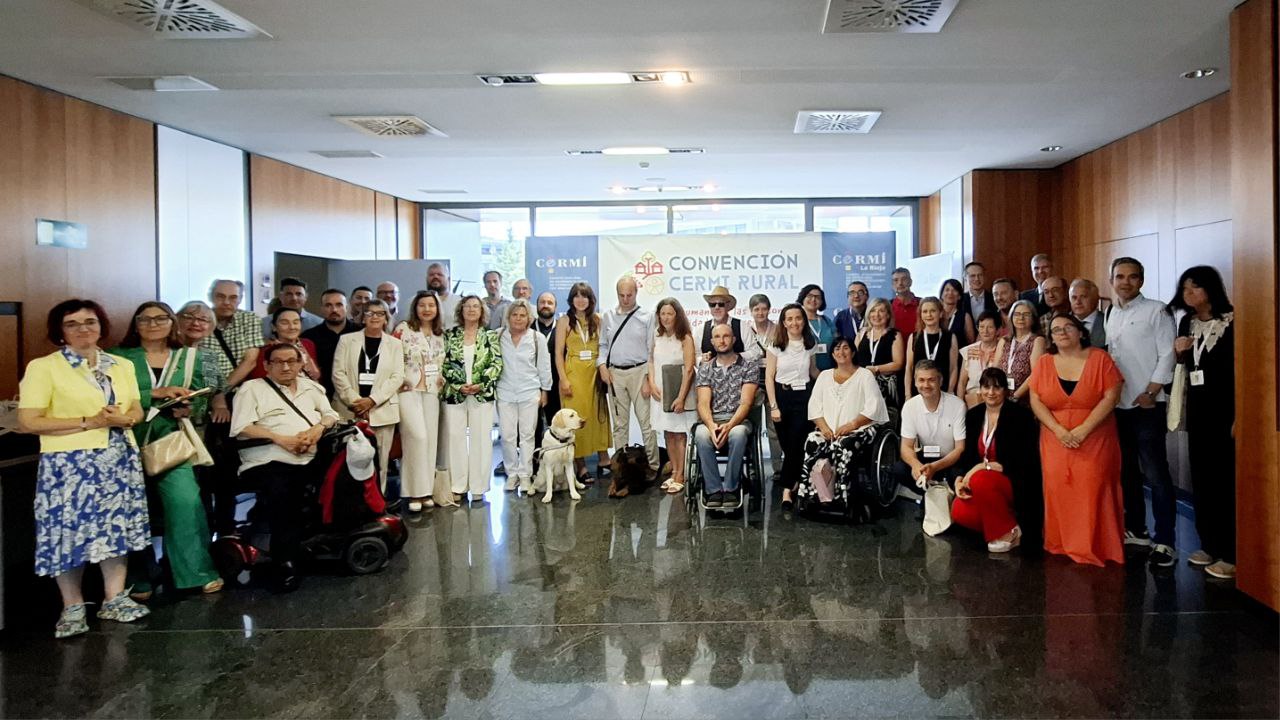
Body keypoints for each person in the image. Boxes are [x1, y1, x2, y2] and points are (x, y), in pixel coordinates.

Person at [17, 299, 151, 637]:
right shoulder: (44, 367)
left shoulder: (120, 364)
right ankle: (72, 606)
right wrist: (87, 422)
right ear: (60, 331)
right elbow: (29, 421)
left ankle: (114, 598)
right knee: (67, 534)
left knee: (115, 530)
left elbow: (136, 408)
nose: (83, 329)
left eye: (90, 321)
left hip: (118, 458)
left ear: (101, 326)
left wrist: (126, 418)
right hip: (69, 463)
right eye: (72, 324)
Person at [113, 302, 222, 597]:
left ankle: (194, 571)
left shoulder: (191, 357)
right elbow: (106, 394)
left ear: (172, 322)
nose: (153, 324)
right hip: (125, 440)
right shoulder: (117, 357)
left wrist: (188, 407)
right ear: (135, 324)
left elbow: (204, 397)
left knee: (185, 500)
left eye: (161, 318)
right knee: (132, 508)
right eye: (145, 319)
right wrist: (153, 394)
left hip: (170, 439)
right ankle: (139, 575)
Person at [230, 343, 340, 592]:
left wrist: (317, 429)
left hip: (311, 454)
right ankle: (285, 559)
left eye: (291, 361)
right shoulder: (251, 389)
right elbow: (241, 427)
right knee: (285, 492)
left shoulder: (311, 387)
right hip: (269, 458)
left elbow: (331, 414)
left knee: (344, 473)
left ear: (301, 364)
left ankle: (324, 539)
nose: (286, 366)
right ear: (266, 365)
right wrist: (281, 439)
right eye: (278, 362)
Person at [1029, 312, 1125, 566]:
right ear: (1050, 337)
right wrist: (1058, 430)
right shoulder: (1045, 363)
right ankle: (1060, 543)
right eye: (1056, 329)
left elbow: (1111, 396)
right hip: (1054, 438)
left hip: (1096, 437)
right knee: (1058, 488)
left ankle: (1095, 546)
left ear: (1081, 332)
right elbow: (1035, 400)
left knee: (1093, 487)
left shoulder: (1100, 359)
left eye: (1067, 327)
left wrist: (1084, 429)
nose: (1061, 333)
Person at [1104, 257, 1177, 566]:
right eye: (1120, 277)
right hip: (1119, 406)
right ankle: (1137, 529)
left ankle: (1166, 541)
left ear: (1141, 280)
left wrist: (1151, 391)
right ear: (1111, 280)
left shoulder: (1157, 311)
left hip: (1147, 405)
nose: (1126, 282)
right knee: (1127, 472)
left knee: (1156, 474)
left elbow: (1168, 354)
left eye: (1132, 277)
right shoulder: (1110, 313)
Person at [1170, 266, 1236, 579]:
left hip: (1225, 412)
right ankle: (1209, 543)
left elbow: (1241, 370)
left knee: (1225, 481)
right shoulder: (1187, 321)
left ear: (1211, 288)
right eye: (1185, 289)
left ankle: (1232, 552)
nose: (1189, 294)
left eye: (1195, 287)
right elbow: (1187, 367)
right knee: (1202, 478)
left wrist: (1240, 416)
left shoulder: (1232, 321)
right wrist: (1179, 353)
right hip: (1197, 412)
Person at [953, 367, 1043, 553]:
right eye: (986, 387)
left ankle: (1007, 533)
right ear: (980, 389)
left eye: (997, 387)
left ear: (1005, 390)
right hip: (980, 481)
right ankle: (1008, 523)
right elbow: (966, 456)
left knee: (981, 479)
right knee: (959, 511)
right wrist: (959, 479)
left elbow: (1027, 460)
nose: (991, 392)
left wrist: (983, 467)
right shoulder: (973, 415)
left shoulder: (1021, 416)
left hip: (1013, 479)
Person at [200, 279, 264, 535]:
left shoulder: (249, 319)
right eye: (220, 296)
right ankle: (220, 525)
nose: (226, 302)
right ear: (211, 296)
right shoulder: (203, 320)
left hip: (243, 397)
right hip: (211, 400)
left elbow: (250, 361)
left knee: (247, 459)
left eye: (233, 297)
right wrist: (217, 398)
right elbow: (207, 360)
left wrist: (221, 393)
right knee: (216, 465)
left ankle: (252, 517)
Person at [798, 336, 888, 510]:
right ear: (832, 354)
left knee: (844, 445)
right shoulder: (824, 376)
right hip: (829, 429)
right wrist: (824, 428)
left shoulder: (865, 375)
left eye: (845, 348)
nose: (841, 352)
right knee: (812, 441)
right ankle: (814, 495)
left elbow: (873, 407)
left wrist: (851, 426)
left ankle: (843, 497)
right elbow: (814, 407)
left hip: (860, 428)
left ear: (853, 352)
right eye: (837, 348)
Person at [332, 299, 405, 491]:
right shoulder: (346, 340)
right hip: (350, 410)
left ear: (386, 318)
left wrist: (372, 401)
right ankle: (352, 501)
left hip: (382, 411)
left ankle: (378, 499)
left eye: (380, 313)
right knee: (350, 460)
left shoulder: (395, 344)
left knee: (380, 461)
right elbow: (338, 374)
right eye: (369, 313)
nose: (374, 317)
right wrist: (357, 402)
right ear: (362, 317)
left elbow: (397, 377)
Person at [443, 295, 504, 502]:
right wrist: (458, 385)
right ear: (461, 310)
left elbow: (496, 363)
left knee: (481, 440)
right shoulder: (450, 335)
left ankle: (479, 487)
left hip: (481, 394)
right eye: (467, 306)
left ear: (481, 311)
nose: (471, 309)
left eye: (475, 306)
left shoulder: (489, 335)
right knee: (456, 439)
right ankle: (458, 486)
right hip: (455, 394)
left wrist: (481, 384)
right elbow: (445, 363)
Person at [392, 291, 447, 512]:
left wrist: (443, 378)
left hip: (432, 391)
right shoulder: (403, 329)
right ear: (415, 307)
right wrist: (398, 379)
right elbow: (391, 357)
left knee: (430, 441)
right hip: (408, 389)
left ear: (437, 309)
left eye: (431, 305)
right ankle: (413, 492)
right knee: (416, 438)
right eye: (422, 305)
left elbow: (443, 363)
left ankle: (426, 491)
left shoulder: (440, 334)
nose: (426, 309)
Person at [599, 276, 659, 475]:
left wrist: (648, 378)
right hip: (615, 373)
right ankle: (620, 467)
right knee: (619, 425)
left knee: (646, 423)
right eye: (621, 295)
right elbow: (602, 345)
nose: (625, 299)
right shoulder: (607, 316)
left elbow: (651, 349)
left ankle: (653, 466)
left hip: (639, 371)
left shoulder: (647, 316)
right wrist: (602, 366)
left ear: (636, 293)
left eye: (629, 295)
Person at [694, 324, 759, 507]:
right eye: (717, 337)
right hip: (712, 419)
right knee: (701, 435)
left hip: (738, 420)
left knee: (738, 434)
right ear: (712, 342)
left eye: (726, 336)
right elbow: (703, 403)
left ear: (734, 339)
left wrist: (729, 426)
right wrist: (711, 426)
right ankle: (713, 490)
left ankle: (731, 488)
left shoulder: (748, 366)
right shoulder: (705, 368)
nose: (722, 340)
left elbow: (746, 403)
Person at [555, 283, 613, 482]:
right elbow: (558, 353)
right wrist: (563, 379)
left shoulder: (598, 319)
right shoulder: (564, 321)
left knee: (598, 415)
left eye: (584, 296)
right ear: (571, 299)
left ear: (590, 300)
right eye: (577, 296)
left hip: (594, 373)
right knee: (575, 418)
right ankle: (580, 465)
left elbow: (604, 347)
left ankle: (604, 458)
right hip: (574, 373)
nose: (580, 300)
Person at [766, 303, 818, 510]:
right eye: (790, 319)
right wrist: (773, 406)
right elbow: (769, 377)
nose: (794, 322)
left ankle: (787, 490)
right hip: (782, 396)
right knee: (788, 445)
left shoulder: (810, 344)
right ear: (784, 322)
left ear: (804, 321)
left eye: (798, 318)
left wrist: (835, 378)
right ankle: (797, 481)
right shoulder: (776, 345)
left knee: (797, 441)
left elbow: (813, 371)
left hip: (804, 397)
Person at [496, 299, 552, 492]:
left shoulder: (537, 338)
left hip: (529, 392)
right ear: (508, 317)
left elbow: (544, 366)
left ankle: (525, 475)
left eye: (522, 315)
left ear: (529, 318)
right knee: (507, 436)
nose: (518, 319)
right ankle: (512, 474)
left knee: (527, 436)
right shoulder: (498, 336)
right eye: (514, 315)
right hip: (505, 392)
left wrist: (545, 391)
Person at [649, 298, 697, 495]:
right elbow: (650, 361)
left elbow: (689, 370)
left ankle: (681, 475)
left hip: (679, 391)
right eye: (663, 314)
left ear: (677, 315)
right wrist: (651, 383)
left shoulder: (685, 338)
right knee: (668, 433)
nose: (666, 317)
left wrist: (681, 397)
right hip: (660, 392)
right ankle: (674, 471)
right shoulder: (656, 336)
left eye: (670, 313)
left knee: (679, 434)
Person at [898, 360, 967, 491]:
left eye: (931, 380)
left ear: (940, 381)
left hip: (949, 460)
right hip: (925, 458)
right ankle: (927, 494)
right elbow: (906, 446)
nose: (926, 385)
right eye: (921, 380)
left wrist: (934, 467)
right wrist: (916, 465)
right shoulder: (909, 406)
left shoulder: (957, 405)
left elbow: (960, 448)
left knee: (959, 472)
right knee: (899, 469)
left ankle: (942, 494)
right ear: (915, 382)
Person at [741, 293, 783, 475]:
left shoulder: (779, 330)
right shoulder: (746, 331)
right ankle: (752, 467)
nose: (760, 312)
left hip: (774, 381)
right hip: (752, 382)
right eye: (756, 309)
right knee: (752, 427)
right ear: (750, 311)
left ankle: (778, 468)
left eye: (764, 309)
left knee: (774, 429)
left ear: (769, 309)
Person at [302, 288, 359, 400]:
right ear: (321, 309)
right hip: (321, 395)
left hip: (356, 393)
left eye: (339, 305)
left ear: (347, 307)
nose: (334, 309)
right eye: (328, 305)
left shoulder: (360, 332)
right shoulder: (309, 337)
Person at [853, 298, 905, 408]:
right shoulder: (861, 333)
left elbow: (898, 363)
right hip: (863, 385)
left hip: (887, 388)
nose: (876, 315)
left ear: (888, 315)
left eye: (881, 311)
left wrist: (876, 369)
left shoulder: (895, 335)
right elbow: (853, 359)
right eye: (873, 310)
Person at [904, 297, 959, 399]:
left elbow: (953, 368)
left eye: (933, 311)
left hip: (943, 392)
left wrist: (950, 390)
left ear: (940, 313)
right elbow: (909, 368)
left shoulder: (950, 337)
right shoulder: (914, 337)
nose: (929, 315)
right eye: (925, 311)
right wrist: (908, 394)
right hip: (918, 392)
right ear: (921, 315)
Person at [251, 308, 322, 383]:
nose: (292, 327)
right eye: (285, 323)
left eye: (296, 322)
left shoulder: (308, 344)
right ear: (274, 327)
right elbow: (260, 381)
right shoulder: (266, 351)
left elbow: (316, 375)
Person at [958, 311, 1007, 408]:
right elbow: (962, 382)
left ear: (998, 330)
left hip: (995, 401)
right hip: (971, 402)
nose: (985, 331)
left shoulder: (1004, 351)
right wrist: (960, 405)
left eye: (990, 327)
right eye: (981, 327)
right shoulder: (969, 350)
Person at [1004, 299, 1047, 402]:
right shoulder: (1005, 340)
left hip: (1024, 398)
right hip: (1001, 396)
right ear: (1011, 317)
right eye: (1017, 314)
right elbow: (994, 369)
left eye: (1026, 314)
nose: (1021, 318)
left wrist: (1015, 396)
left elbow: (1036, 373)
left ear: (1033, 319)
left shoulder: (1037, 341)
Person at [798, 284, 836, 371]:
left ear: (822, 301)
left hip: (829, 370)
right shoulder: (797, 322)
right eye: (809, 296)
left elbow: (837, 342)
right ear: (803, 298)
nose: (813, 299)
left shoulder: (826, 320)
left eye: (818, 297)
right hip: (805, 372)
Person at [700, 286, 745, 356]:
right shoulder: (701, 329)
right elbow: (694, 354)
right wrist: (702, 358)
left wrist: (735, 358)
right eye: (712, 304)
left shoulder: (742, 326)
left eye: (721, 304)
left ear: (728, 305)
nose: (716, 307)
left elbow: (754, 351)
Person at [1069, 278, 1107, 350]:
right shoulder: (1062, 322)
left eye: (1083, 297)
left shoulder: (1107, 322)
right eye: (1074, 298)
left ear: (1095, 299)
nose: (1078, 302)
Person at [939, 278, 975, 345]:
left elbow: (971, 342)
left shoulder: (965, 316)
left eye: (954, 290)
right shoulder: (935, 314)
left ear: (959, 296)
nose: (950, 293)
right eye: (947, 290)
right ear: (941, 295)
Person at [427, 263, 460, 330]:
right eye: (431, 275)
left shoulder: (460, 302)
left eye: (440, 274)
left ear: (448, 279)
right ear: (426, 279)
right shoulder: (417, 302)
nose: (435, 277)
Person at [890, 267, 920, 336]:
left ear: (910, 282)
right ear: (892, 285)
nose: (900, 283)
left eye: (904, 279)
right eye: (896, 280)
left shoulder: (922, 304)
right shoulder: (888, 306)